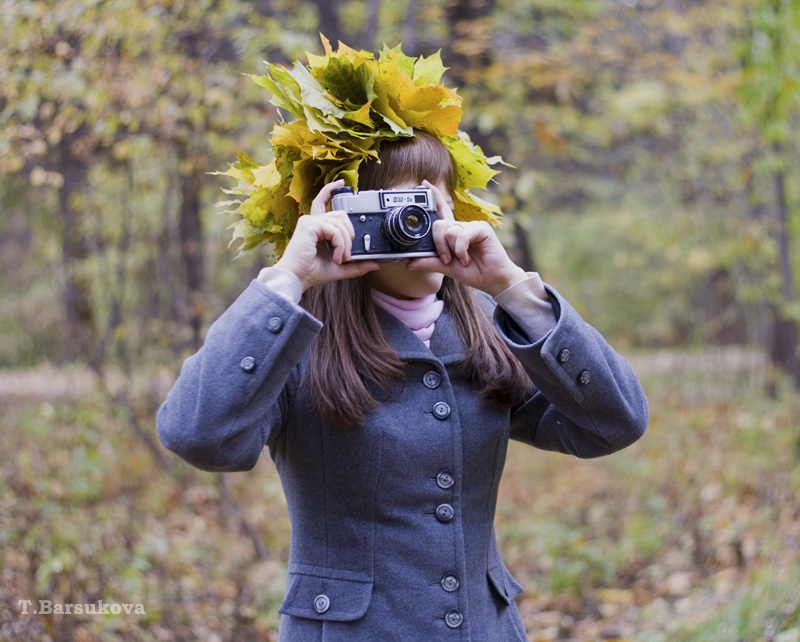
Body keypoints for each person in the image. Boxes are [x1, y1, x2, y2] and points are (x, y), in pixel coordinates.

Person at [157, 41, 648, 642]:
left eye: (431, 200)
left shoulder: (488, 333)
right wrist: (288, 279)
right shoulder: (293, 340)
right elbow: (195, 434)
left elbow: (617, 422)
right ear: (343, 214)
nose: (417, 222)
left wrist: (514, 289)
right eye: (395, 205)